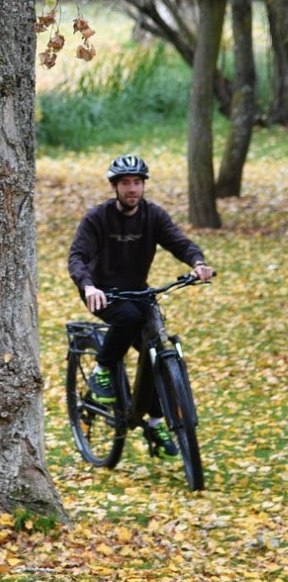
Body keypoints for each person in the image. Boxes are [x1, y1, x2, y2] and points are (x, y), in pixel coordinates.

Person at [68, 154, 214, 457]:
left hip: (138, 291)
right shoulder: (97, 218)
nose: (132, 189)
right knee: (129, 318)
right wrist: (89, 285)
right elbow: (78, 257)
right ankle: (103, 369)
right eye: (125, 183)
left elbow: (180, 243)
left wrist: (197, 263)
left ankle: (156, 421)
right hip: (102, 292)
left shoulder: (153, 216)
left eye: (137, 182)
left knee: (157, 351)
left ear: (143, 185)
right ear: (114, 187)